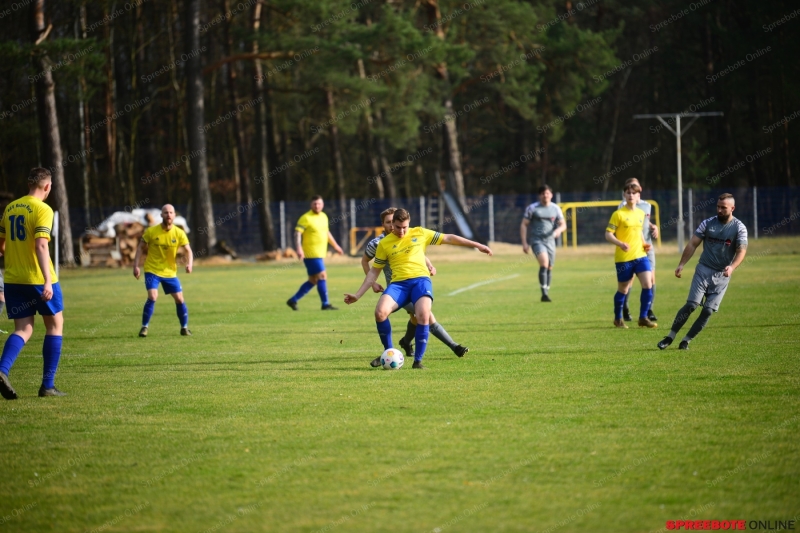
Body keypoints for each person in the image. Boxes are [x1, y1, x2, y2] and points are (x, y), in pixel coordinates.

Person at [345, 208, 492, 369]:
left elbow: (448, 238)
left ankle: (418, 361)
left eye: (405, 227)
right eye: (398, 227)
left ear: (409, 224)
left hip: (420, 282)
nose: (401, 231)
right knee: (380, 313)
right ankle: (390, 352)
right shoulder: (383, 244)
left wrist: (478, 245)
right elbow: (373, 271)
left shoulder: (420, 233)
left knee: (423, 315)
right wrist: (358, 295)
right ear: (392, 224)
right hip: (398, 285)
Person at [0, 167, 65, 399]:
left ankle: (1, 370)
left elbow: (2, 244)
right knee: (55, 325)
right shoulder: (43, 209)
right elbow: (41, 245)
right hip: (37, 278)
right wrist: (47, 280)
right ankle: (47, 385)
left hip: (13, 279)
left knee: (23, 329)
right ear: (47, 186)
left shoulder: (10, 207)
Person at [658, 193, 747, 350]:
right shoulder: (707, 223)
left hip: (722, 275)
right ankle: (670, 336)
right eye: (718, 207)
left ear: (732, 208)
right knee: (691, 305)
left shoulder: (739, 228)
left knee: (707, 311)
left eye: (723, 208)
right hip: (703, 270)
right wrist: (681, 264)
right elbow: (693, 244)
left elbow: (741, 250)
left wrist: (732, 267)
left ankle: (686, 340)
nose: (719, 210)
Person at [133, 204, 193, 337]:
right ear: (161, 215)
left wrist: (190, 264)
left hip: (170, 272)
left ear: (174, 215)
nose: (168, 215)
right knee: (153, 296)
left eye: (171, 212)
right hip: (152, 270)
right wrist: (136, 265)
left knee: (180, 299)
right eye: (166, 212)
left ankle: (184, 328)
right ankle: (144, 327)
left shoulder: (179, 233)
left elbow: (189, 250)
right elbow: (140, 248)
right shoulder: (151, 231)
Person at [605, 182, 657, 329]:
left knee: (648, 284)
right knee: (623, 289)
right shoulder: (618, 214)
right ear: (624, 195)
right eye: (628, 193)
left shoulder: (641, 214)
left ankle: (643, 317)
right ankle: (618, 318)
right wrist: (620, 243)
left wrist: (644, 243)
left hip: (640, 256)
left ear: (638, 195)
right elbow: (608, 234)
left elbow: (639, 232)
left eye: (633, 193)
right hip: (624, 258)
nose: (631, 195)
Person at [286, 196, 343, 311]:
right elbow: (297, 233)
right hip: (310, 254)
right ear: (311, 205)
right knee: (322, 275)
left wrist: (336, 246)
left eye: (319, 204)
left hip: (320, 254)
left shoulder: (324, 217)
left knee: (313, 280)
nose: (317, 206)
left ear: (322, 205)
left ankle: (293, 300)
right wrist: (299, 248)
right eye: (314, 204)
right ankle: (325, 304)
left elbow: (326, 233)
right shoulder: (305, 218)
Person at [618, 178, 659, 322]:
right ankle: (625, 307)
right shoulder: (622, 206)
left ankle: (648, 310)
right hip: (632, 247)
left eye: (635, 187)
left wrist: (654, 227)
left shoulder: (647, 206)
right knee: (629, 280)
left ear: (640, 188)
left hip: (647, 246)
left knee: (651, 279)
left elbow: (644, 222)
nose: (632, 192)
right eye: (629, 189)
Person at [520, 185, 566, 302]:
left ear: (551, 195)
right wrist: (524, 243)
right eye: (543, 193)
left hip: (550, 241)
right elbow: (524, 224)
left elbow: (563, 225)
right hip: (537, 240)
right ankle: (544, 293)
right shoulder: (532, 208)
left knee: (550, 266)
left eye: (547, 193)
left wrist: (558, 231)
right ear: (539, 195)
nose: (545, 195)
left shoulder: (555, 209)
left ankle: (546, 290)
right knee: (544, 263)